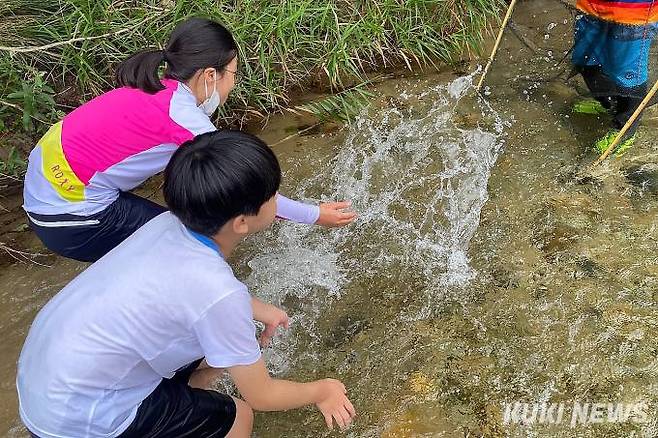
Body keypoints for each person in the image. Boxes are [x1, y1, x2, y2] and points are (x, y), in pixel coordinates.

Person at [17, 130, 356, 438]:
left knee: (217, 363)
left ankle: (183, 392)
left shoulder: (166, 225)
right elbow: (263, 395)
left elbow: (189, 294)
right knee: (238, 415)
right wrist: (321, 390)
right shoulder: (218, 292)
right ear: (241, 223)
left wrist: (254, 308)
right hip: (78, 421)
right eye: (272, 195)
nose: (277, 199)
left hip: (46, 382)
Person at [22, 17, 356, 262]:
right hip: (70, 216)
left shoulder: (151, 86)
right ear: (211, 75)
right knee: (189, 251)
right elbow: (246, 190)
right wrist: (316, 215)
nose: (232, 86)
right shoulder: (185, 123)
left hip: (45, 188)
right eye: (234, 75)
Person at [571, 0, 658, 156]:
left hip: (633, 13)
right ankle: (609, 103)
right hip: (592, 6)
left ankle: (624, 129)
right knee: (586, 59)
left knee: (628, 75)